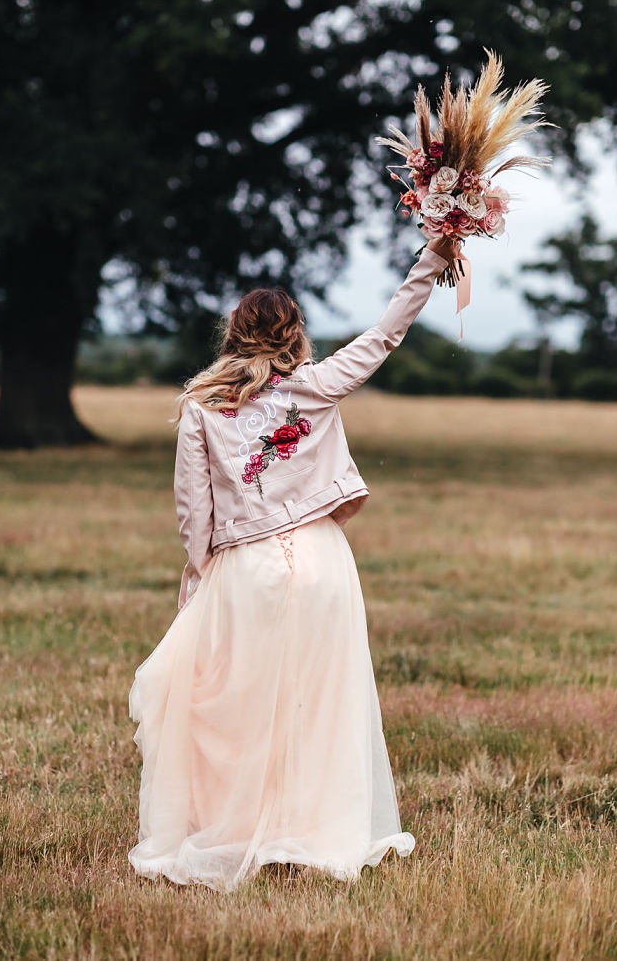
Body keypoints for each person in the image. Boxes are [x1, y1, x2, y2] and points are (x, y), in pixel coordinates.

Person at [128, 237, 455, 891]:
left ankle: (238, 828)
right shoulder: (317, 384)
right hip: (322, 563)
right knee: (317, 704)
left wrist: (197, 577)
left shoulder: (201, 404)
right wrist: (433, 255)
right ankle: (309, 831)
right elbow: (387, 331)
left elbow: (194, 508)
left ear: (234, 334)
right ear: (294, 334)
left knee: (237, 707)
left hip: (245, 568)